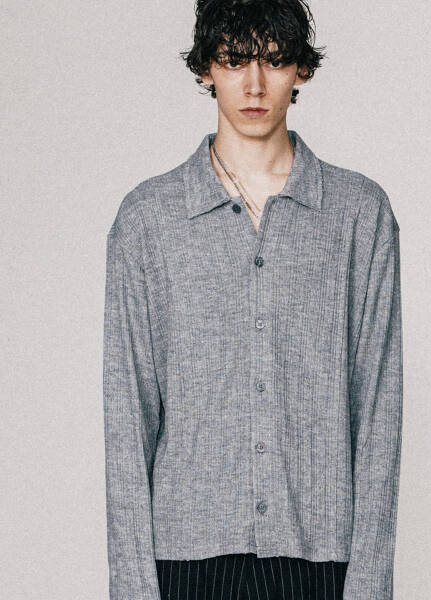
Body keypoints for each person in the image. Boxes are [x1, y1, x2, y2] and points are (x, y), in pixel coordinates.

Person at [102, 1, 404, 599]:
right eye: (234, 60)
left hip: (321, 563)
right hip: (184, 564)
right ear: (206, 68)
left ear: (302, 70)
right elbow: (126, 419)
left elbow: (378, 414)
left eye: (275, 60)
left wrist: (369, 586)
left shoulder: (358, 216)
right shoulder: (148, 221)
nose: (255, 84)